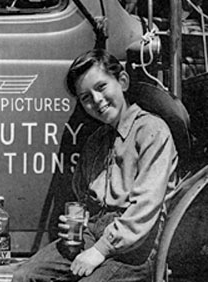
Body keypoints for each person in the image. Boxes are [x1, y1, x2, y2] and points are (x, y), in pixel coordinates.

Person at [12, 49, 179, 282]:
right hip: (91, 232)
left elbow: (145, 208)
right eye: (86, 97)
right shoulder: (96, 141)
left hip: (137, 247)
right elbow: (83, 196)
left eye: (101, 87)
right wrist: (75, 222)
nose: (97, 101)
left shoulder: (152, 131)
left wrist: (100, 250)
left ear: (122, 81)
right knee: (25, 276)